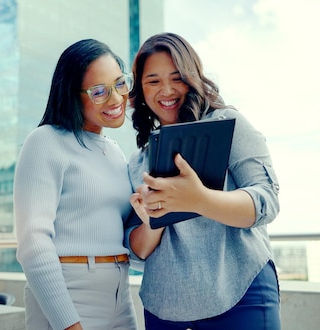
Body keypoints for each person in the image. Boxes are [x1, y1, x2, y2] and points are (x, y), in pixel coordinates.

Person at [125, 32, 282, 329]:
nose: (167, 90)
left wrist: (199, 199)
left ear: (192, 77)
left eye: (177, 77)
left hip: (241, 293)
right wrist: (153, 219)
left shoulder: (228, 123)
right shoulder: (137, 162)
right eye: (153, 81)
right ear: (142, 90)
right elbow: (138, 250)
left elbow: (267, 202)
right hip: (165, 308)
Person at [14, 39, 138, 330]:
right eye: (99, 92)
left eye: (120, 83)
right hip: (71, 293)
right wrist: (68, 323)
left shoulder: (114, 151)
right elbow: (33, 242)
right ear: (72, 95)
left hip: (120, 293)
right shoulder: (46, 141)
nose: (116, 99)